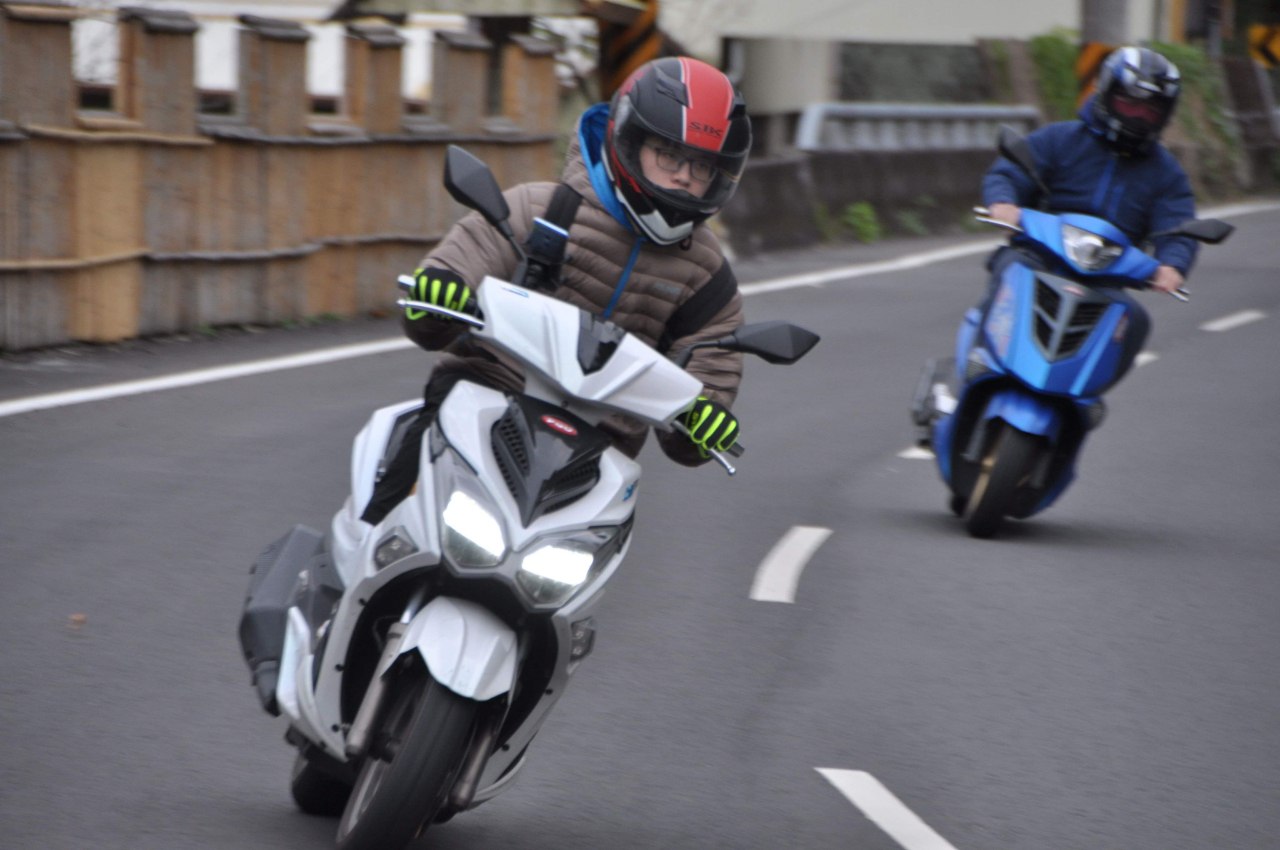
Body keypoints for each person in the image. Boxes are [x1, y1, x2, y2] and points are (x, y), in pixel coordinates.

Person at [362, 56, 753, 525]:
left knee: (592, 554)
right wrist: (440, 289)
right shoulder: (540, 209)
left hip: (598, 451)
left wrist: (707, 419)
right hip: (487, 400)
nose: (685, 175)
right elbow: (446, 282)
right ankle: (360, 549)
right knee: (401, 499)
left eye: (702, 166)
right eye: (669, 155)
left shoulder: (709, 278)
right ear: (630, 140)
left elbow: (702, 398)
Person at [981, 45, 1198, 295]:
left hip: (1108, 279)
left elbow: (1177, 225)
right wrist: (1003, 203)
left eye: (1151, 111)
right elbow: (1011, 171)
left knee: (1133, 315)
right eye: (1130, 104)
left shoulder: (1166, 173)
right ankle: (986, 323)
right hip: (1039, 258)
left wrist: (1172, 264)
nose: (1139, 116)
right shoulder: (1059, 139)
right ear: (1106, 92)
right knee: (1010, 271)